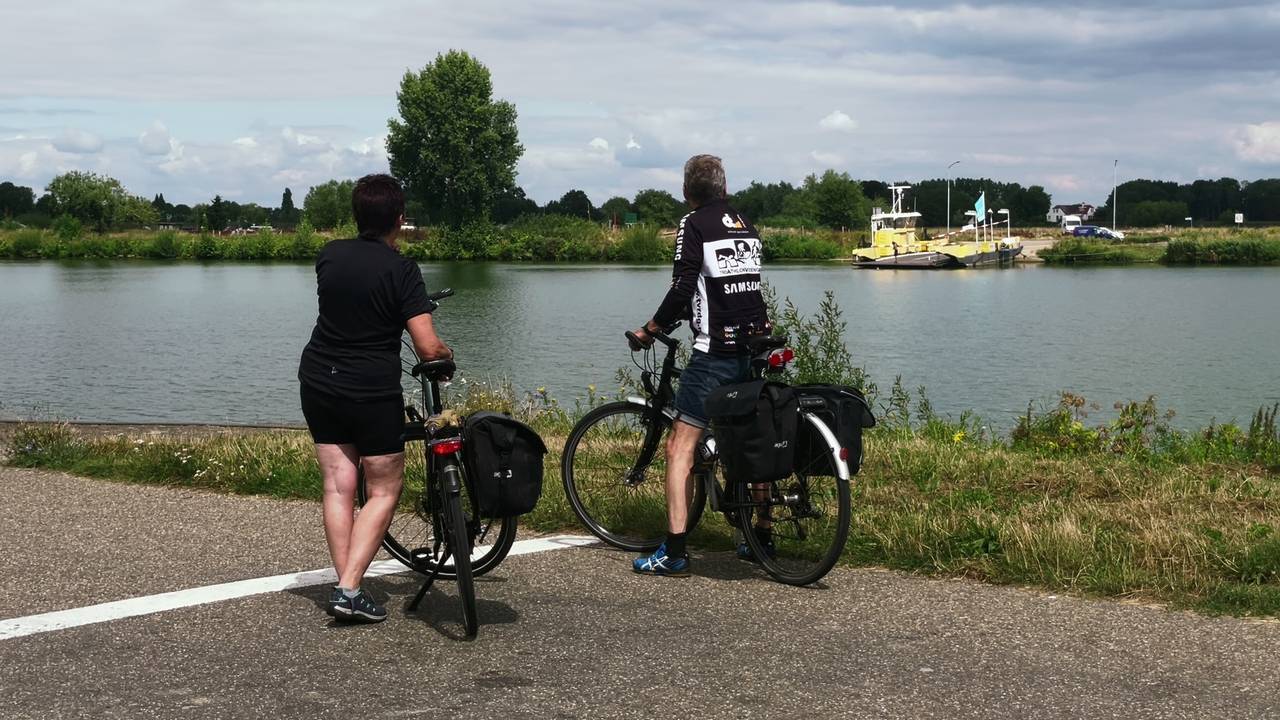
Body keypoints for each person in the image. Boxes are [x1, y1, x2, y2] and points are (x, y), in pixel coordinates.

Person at [297, 173, 451, 622]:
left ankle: (347, 585)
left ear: (355, 215)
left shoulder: (329, 256)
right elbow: (426, 346)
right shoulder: (402, 269)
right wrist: (446, 353)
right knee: (383, 487)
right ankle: (348, 588)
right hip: (369, 388)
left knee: (339, 486)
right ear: (400, 220)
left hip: (318, 380)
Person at [629, 154, 772, 577]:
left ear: (687, 191)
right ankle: (760, 534)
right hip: (756, 344)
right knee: (750, 441)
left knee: (680, 447)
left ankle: (673, 551)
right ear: (725, 189)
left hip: (716, 352)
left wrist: (652, 328)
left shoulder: (693, 225)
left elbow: (683, 288)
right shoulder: (744, 223)